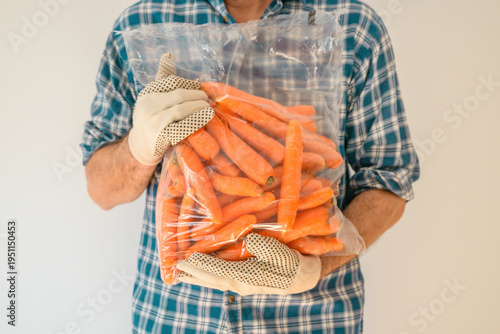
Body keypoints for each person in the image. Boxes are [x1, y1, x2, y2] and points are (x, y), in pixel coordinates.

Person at [81, 0, 420, 333]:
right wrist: (137, 148)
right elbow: (101, 189)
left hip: (311, 318)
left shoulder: (354, 25)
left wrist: (317, 267)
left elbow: (390, 182)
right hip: (177, 317)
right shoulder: (140, 23)